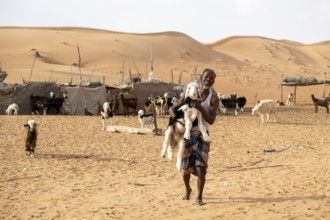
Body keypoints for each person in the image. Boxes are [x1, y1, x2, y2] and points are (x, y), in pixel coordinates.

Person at [169, 68, 220, 206]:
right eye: (207, 77)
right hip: (187, 134)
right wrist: (174, 115)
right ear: (202, 78)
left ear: (214, 81)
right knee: (185, 167)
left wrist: (199, 107)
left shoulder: (214, 98)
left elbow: (211, 120)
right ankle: (188, 189)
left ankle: (199, 197)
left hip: (203, 135)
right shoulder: (190, 91)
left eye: (211, 78)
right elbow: (174, 107)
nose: (208, 79)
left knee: (200, 166)